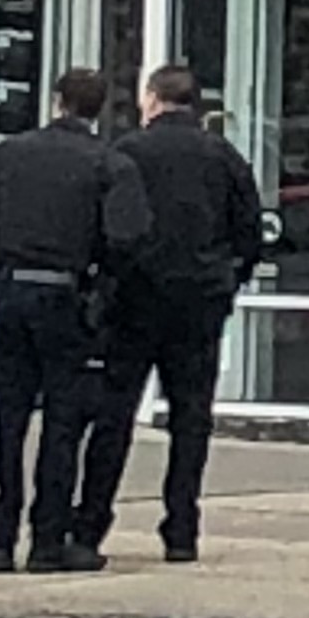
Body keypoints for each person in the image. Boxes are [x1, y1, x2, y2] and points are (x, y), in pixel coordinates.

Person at [0, 67, 151, 576]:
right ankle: (47, 540)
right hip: (66, 297)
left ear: (57, 101)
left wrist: (0, 249)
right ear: (98, 108)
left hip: (12, 291)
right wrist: (96, 275)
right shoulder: (111, 164)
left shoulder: (6, 153)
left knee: (9, 420)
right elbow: (128, 237)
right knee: (63, 424)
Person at [78, 65, 268, 565]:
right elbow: (250, 230)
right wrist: (228, 279)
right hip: (199, 300)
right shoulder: (223, 156)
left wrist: (104, 284)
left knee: (114, 414)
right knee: (191, 417)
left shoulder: (127, 153)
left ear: (153, 99)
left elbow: (105, 225)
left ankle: (91, 521)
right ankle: (181, 527)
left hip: (135, 300)